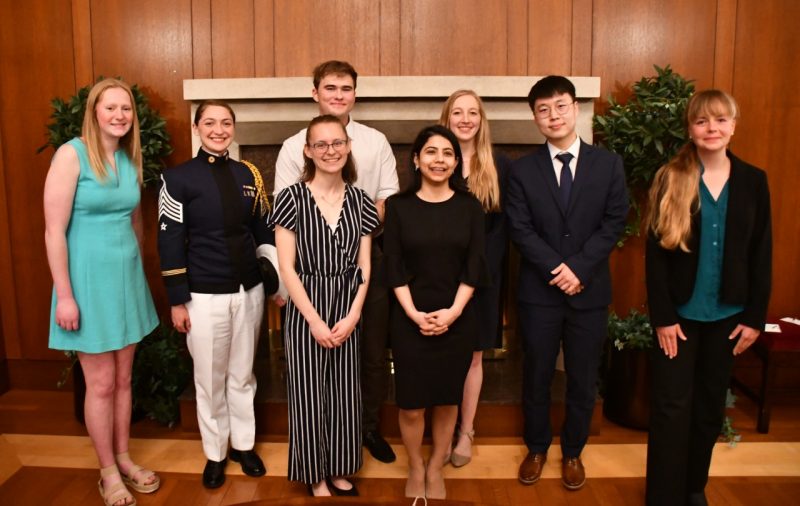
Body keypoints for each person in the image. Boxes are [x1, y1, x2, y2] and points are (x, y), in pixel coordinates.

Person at [645, 90, 771, 506]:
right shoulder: (670, 176)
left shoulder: (754, 181)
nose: (711, 128)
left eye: (720, 121)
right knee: (670, 408)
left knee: (708, 409)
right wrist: (662, 317)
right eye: (702, 121)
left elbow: (761, 252)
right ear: (690, 129)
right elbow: (655, 256)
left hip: (728, 318)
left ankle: (693, 487)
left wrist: (755, 317)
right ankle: (664, 495)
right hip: (678, 319)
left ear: (734, 125)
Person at [506, 76, 628, 491]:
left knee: (582, 375)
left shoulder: (608, 164)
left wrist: (579, 269)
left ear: (575, 108)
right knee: (537, 374)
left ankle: (573, 451)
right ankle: (537, 447)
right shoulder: (522, 170)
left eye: (560, 106)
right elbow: (519, 229)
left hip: (589, 291)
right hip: (539, 293)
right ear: (535, 118)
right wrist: (558, 270)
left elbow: (614, 222)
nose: (553, 115)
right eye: (543, 109)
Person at [274, 60, 400, 464]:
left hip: (363, 256)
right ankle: (318, 451)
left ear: (354, 94)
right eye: (330, 88)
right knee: (315, 366)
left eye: (346, 88)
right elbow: (290, 212)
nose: (338, 95)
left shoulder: (375, 141)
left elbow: (386, 201)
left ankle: (365, 430)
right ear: (315, 93)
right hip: (309, 268)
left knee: (371, 351)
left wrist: (348, 225)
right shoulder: (295, 145)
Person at [44, 78, 160, 506]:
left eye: (125, 109)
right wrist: (65, 295)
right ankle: (107, 472)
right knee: (102, 383)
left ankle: (125, 458)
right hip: (86, 283)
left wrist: (138, 272)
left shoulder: (130, 158)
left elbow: (135, 223)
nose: (119, 116)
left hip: (125, 281)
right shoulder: (71, 155)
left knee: (126, 378)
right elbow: (53, 231)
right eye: (110, 108)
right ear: (94, 112)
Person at [157, 99, 280, 489]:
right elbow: (170, 241)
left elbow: (263, 230)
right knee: (209, 380)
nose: (218, 129)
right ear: (197, 127)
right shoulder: (177, 179)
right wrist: (177, 299)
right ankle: (215, 453)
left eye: (226, 122)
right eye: (210, 122)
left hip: (249, 290)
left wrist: (275, 283)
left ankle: (244, 446)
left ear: (233, 128)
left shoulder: (250, 174)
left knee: (243, 375)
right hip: (202, 294)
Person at [271, 114, 379, 497]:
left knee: (345, 392)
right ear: (308, 151)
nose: (330, 151)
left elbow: (365, 265)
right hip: (306, 306)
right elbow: (286, 265)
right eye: (321, 144)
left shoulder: (362, 201)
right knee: (309, 394)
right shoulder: (290, 198)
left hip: (349, 305)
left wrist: (353, 314)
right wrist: (314, 320)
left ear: (348, 147)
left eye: (337, 143)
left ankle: (339, 468)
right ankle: (314, 473)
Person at [384, 125, 488, 500]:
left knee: (447, 401)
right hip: (409, 317)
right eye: (430, 152)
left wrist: (453, 312)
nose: (439, 159)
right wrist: (413, 314)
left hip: (457, 318)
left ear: (456, 161)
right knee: (411, 405)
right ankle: (415, 463)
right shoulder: (398, 207)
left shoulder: (470, 206)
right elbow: (392, 265)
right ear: (416, 159)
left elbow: (475, 265)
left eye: (447, 153)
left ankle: (434, 465)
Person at [438, 89, 510, 468]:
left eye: (473, 113)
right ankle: (442, 431)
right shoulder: (434, 158)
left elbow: (502, 229)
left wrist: (476, 275)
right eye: (457, 112)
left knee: (473, 358)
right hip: (438, 279)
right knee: (443, 356)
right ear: (446, 117)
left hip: (482, 280)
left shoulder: (499, 164)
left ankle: (466, 430)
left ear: (482, 120)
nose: (465, 119)